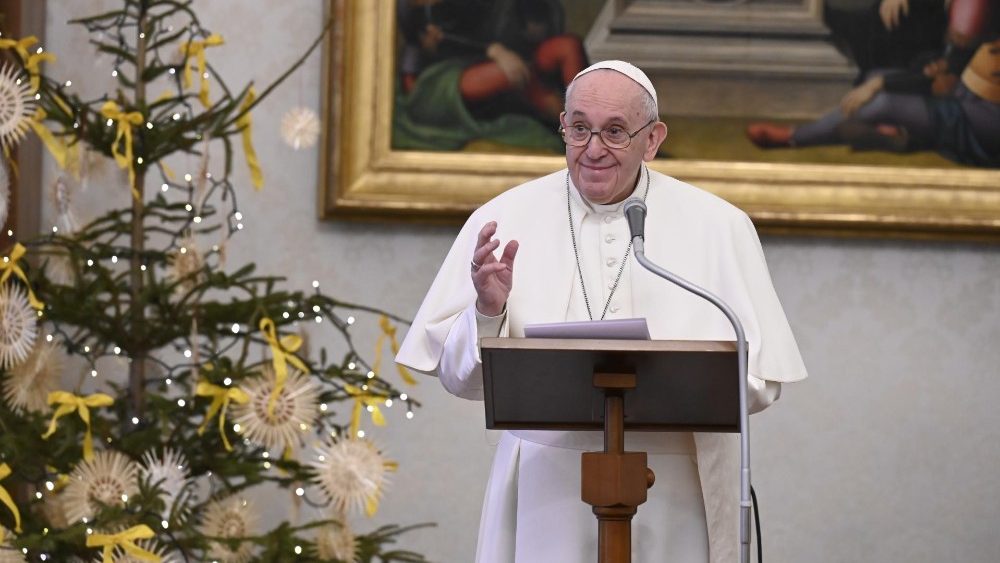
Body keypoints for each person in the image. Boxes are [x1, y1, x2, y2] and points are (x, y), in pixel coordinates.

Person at [396, 60, 808, 563]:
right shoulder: (503, 217)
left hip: (676, 489)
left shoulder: (719, 226)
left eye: (614, 132)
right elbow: (460, 379)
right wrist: (487, 310)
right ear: (563, 126)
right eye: (579, 128)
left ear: (652, 140)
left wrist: (693, 382)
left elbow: (761, 381)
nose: (592, 148)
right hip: (544, 491)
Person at [747, 0, 1000, 167]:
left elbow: (941, 76)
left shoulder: (978, 8)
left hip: (981, 119)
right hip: (964, 95)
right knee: (874, 76)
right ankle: (902, 133)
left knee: (882, 100)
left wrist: (881, 84)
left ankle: (795, 137)